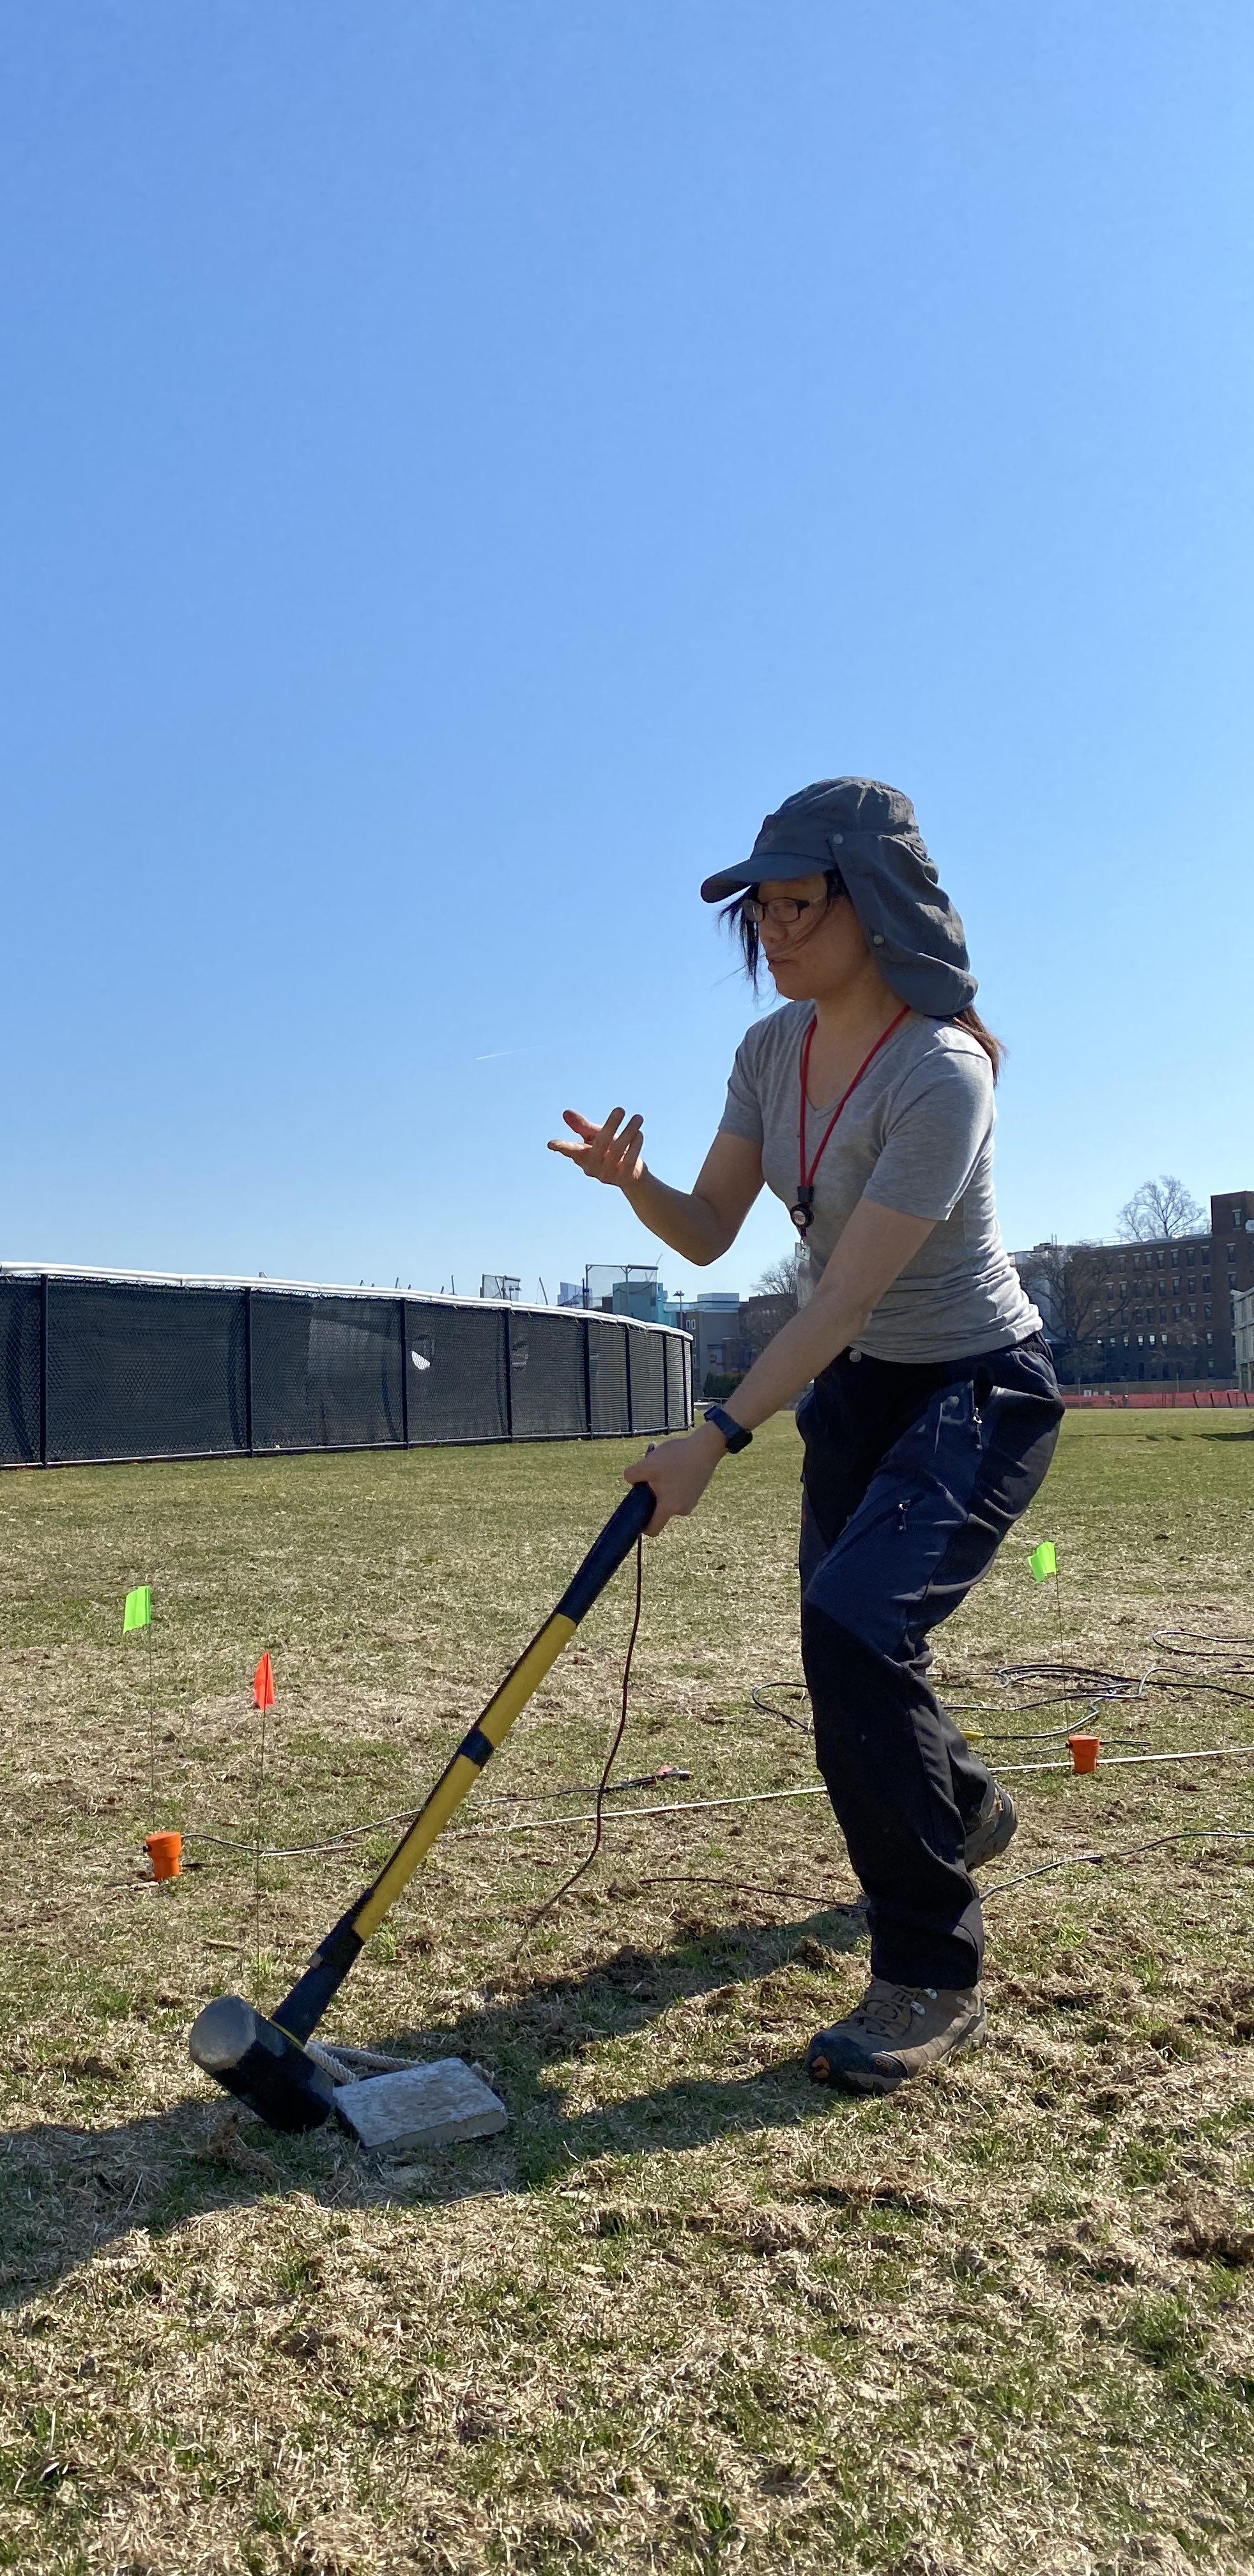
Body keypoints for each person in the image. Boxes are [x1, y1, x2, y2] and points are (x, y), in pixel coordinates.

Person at [551, 777, 1059, 2096]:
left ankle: (929, 1977)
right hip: (859, 1390)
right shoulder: (769, 1056)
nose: (770, 931)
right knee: (848, 1643)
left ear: (871, 904)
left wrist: (712, 1435)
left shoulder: (943, 1072)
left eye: (796, 902)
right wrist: (634, 1185)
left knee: (851, 1628)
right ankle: (958, 1804)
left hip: (973, 1390)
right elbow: (713, 1231)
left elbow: (845, 1295)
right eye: (758, 909)